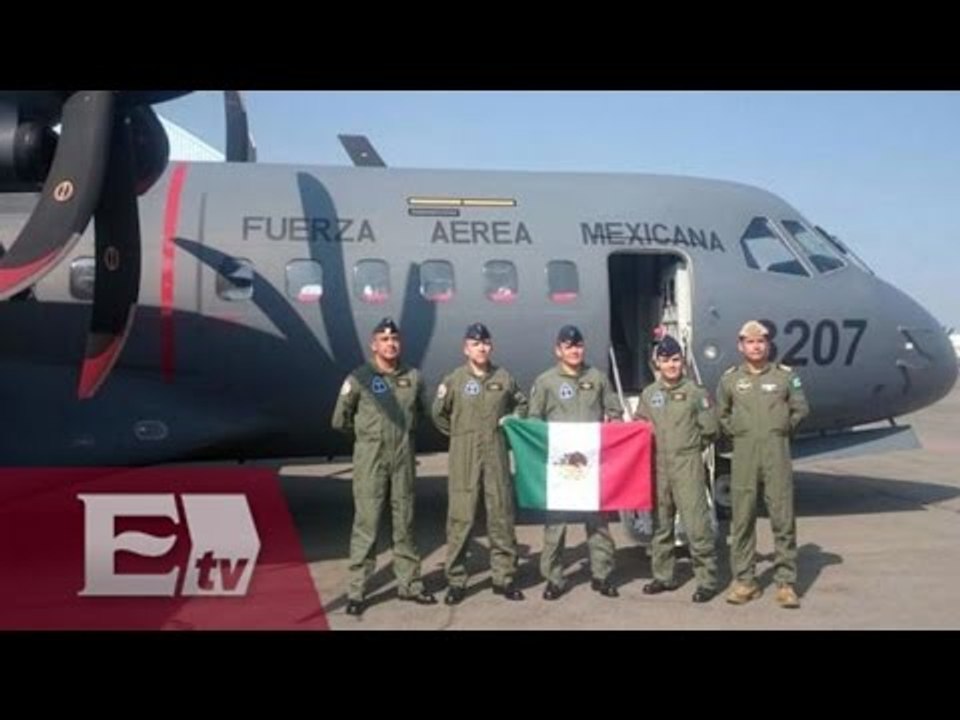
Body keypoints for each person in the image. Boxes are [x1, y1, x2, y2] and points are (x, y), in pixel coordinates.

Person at [331, 317, 436, 616]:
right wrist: (368, 439)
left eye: (395, 339)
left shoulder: (413, 378)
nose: (391, 344)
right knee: (367, 524)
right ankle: (357, 591)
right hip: (371, 460)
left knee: (405, 522)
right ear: (373, 345)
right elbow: (340, 420)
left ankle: (410, 585)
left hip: (402, 459)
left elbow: (420, 414)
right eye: (384, 339)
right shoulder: (359, 378)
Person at [432, 322, 528, 605]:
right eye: (475, 344)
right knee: (461, 517)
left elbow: (521, 404)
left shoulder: (503, 377)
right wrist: (460, 435)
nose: (481, 348)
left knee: (501, 514)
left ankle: (504, 577)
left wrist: (512, 421)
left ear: (491, 346)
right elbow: (438, 414)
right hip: (464, 454)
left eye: (485, 343)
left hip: (495, 452)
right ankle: (456, 580)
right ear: (466, 349)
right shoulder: (454, 380)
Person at [716, 320, 810, 609]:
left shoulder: (785, 376)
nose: (756, 346)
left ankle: (785, 583)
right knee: (742, 518)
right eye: (750, 342)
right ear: (740, 346)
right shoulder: (730, 379)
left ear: (768, 345)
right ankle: (745, 581)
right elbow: (722, 413)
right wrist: (738, 431)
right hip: (744, 454)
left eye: (761, 341)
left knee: (782, 517)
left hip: (776, 452)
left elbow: (801, 409)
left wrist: (781, 429)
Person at [527, 325, 623, 600]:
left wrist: (614, 427)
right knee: (556, 525)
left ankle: (602, 574)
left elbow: (614, 411)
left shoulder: (597, 378)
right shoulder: (546, 382)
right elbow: (534, 419)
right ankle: (554, 578)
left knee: (598, 523)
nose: (574, 351)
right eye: (568, 347)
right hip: (560, 466)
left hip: (591, 465)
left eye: (578, 346)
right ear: (558, 350)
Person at [636, 335, 721, 603]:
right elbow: (639, 427)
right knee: (661, 525)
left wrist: (690, 448)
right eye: (665, 360)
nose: (671, 365)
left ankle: (707, 580)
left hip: (687, 464)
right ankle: (664, 576)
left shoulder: (696, 393)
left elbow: (710, 429)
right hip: (658, 465)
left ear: (682, 361)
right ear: (657, 364)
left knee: (696, 524)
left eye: (675, 360)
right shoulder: (649, 394)